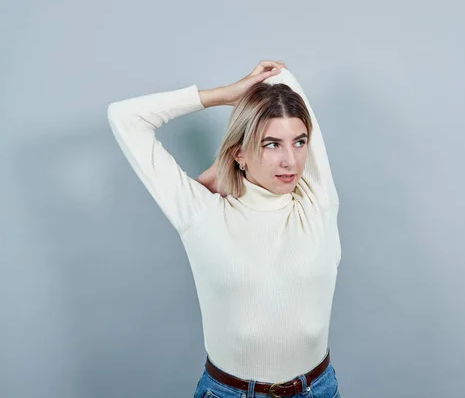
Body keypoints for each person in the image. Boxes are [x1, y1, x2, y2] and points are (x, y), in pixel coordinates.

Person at [107, 61, 342, 398]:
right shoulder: (200, 213)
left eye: (300, 141)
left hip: (318, 389)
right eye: (271, 144)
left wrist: (258, 103)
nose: (291, 160)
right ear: (239, 153)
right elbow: (125, 117)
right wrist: (226, 95)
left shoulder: (317, 201)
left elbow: (280, 76)